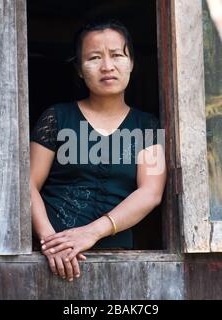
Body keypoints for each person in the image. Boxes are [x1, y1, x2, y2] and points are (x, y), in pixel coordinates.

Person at [29, 19, 166, 282]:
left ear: (132, 63)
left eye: (117, 55)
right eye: (93, 58)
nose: (107, 66)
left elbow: (151, 192)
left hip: (118, 257)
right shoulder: (56, 117)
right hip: (52, 257)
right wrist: (49, 241)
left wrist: (92, 232)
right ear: (80, 69)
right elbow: (28, 184)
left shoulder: (147, 125)